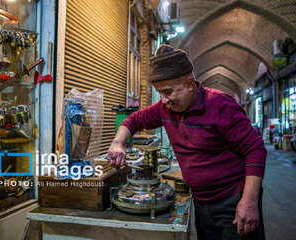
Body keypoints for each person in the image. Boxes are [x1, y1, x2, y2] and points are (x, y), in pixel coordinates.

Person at [108, 44, 267, 240]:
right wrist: (117, 142)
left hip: (233, 203)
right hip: (201, 203)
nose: (164, 100)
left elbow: (256, 149)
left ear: (190, 84)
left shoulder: (220, 105)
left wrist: (249, 201)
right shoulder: (164, 108)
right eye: (160, 93)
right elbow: (134, 119)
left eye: (168, 92)